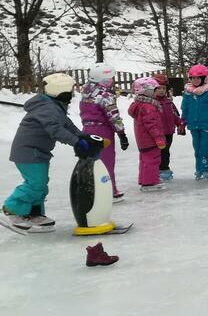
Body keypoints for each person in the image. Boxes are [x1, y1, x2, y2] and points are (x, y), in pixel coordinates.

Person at [2, 73, 97, 232]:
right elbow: (55, 130)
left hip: (37, 152)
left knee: (40, 184)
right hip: (29, 151)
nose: (72, 94)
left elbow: (67, 126)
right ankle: (11, 209)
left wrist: (84, 137)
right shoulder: (48, 108)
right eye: (71, 90)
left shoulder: (54, 106)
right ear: (62, 91)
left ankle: (33, 214)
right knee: (36, 184)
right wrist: (76, 142)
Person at [79, 62, 128, 200]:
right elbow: (113, 115)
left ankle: (92, 189)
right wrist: (121, 133)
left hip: (87, 129)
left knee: (91, 160)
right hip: (102, 130)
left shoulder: (86, 91)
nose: (112, 81)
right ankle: (108, 190)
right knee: (106, 160)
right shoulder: (105, 95)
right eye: (110, 78)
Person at [180, 64, 208, 180]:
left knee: (204, 147)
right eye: (193, 78)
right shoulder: (188, 93)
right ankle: (199, 168)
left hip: (207, 124)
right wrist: (183, 120)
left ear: (204, 79)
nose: (195, 80)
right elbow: (185, 108)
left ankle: (207, 167)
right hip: (194, 125)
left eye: (198, 78)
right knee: (197, 148)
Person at [128, 77, 167, 192]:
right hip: (150, 139)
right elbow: (152, 125)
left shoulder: (139, 104)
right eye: (155, 90)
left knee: (145, 160)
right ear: (147, 91)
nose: (157, 92)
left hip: (142, 140)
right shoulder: (148, 106)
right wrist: (159, 138)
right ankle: (150, 182)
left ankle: (144, 180)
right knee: (152, 160)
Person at [153, 73, 183, 181]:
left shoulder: (168, 102)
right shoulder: (152, 102)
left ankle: (164, 169)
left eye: (163, 88)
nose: (161, 90)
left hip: (169, 132)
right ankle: (160, 169)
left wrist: (180, 124)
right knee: (160, 152)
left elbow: (174, 115)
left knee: (166, 151)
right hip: (157, 133)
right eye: (158, 88)